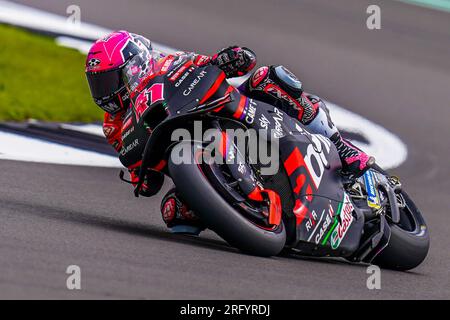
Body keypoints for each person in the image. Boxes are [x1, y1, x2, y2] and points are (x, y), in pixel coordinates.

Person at [85, 30, 374, 235]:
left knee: (269, 79)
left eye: (110, 80)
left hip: (227, 113)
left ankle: (341, 146)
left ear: (133, 67)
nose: (106, 92)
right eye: (98, 84)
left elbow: (212, 65)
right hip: (196, 155)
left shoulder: (166, 63)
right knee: (175, 214)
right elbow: (146, 178)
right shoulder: (113, 126)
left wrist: (228, 59)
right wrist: (141, 176)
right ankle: (248, 219)